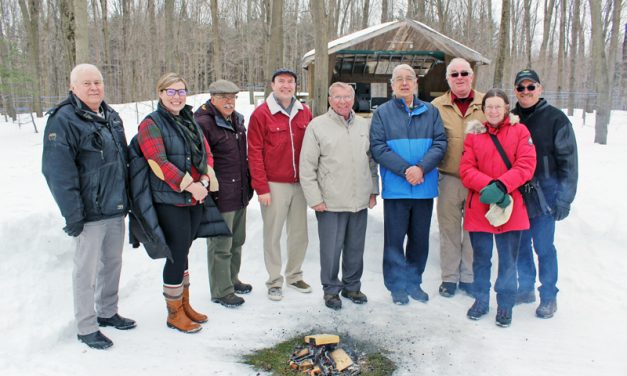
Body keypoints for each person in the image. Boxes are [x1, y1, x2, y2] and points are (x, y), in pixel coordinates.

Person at [42, 63, 136, 350]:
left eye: (98, 82)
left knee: (113, 263)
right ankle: (86, 326)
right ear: (73, 87)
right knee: (86, 270)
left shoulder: (112, 116)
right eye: (87, 83)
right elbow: (57, 172)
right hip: (89, 211)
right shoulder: (64, 119)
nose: (94, 87)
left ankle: (107, 312)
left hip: (116, 207)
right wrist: (73, 214)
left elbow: (123, 162)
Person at [128, 72, 229, 333]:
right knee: (175, 255)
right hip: (170, 200)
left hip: (194, 198)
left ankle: (185, 304)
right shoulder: (151, 123)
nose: (177, 97)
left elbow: (206, 152)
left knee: (183, 251)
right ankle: (174, 313)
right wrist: (191, 185)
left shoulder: (189, 120)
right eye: (171, 92)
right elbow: (158, 162)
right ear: (160, 94)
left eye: (181, 91)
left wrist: (206, 178)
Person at [370, 64, 447, 305]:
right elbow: (379, 148)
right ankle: (396, 287)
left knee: (419, 239)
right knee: (394, 240)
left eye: (409, 79)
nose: (404, 83)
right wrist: (406, 170)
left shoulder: (431, 112)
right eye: (399, 79)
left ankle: (414, 282)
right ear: (392, 85)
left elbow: (440, 144)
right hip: (397, 188)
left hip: (423, 187)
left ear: (416, 83)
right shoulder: (382, 113)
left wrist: (421, 168)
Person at [460, 88, 536, 327]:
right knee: (481, 259)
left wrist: (502, 186)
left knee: (508, 260)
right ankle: (481, 299)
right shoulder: (474, 135)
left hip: (509, 205)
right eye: (489, 107)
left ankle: (505, 304)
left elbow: (526, 164)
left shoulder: (520, 131)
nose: (493, 111)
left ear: (506, 109)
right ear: (483, 110)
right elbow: (466, 169)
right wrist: (488, 186)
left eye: (498, 106)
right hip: (480, 205)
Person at [299, 82, 379, 310]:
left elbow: (371, 160)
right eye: (337, 97)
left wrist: (373, 189)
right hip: (330, 201)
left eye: (347, 97)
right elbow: (307, 166)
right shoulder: (318, 126)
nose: (342, 101)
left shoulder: (364, 124)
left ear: (353, 99)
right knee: (331, 249)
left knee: (355, 247)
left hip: (359, 199)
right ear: (329, 99)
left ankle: (352, 286)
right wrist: (315, 198)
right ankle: (331, 290)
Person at [512, 69, 578, 319]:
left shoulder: (556, 119)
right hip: (517, 194)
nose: (526, 92)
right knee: (520, 245)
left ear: (540, 89)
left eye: (531, 87)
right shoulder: (511, 117)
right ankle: (526, 287)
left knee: (544, 246)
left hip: (546, 194)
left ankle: (549, 295)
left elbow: (569, 161)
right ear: (515, 90)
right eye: (521, 88)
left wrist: (564, 198)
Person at [248, 68, 313, 301]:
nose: (286, 85)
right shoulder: (261, 114)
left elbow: (313, 149)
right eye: (281, 82)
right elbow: (254, 153)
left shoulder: (305, 111)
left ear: (296, 85)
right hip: (274, 184)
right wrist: (262, 187)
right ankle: (274, 280)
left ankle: (294, 275)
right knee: (273, 233)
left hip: (300, 184)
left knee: (299, 234)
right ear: (273, 85)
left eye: (291, 82)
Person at [194, 80, 253, 308]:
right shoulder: (203, 123)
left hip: (239, 191)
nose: (229, 102)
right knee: (221, 244)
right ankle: (221, 290)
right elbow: (202, 161)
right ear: (213, 98)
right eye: (224, 97)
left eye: (233, 97)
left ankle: (232, 279)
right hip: (221, 193)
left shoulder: (236, 119)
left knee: (237, 240)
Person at [431, 58, 486, 298]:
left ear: (472, 76)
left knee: (474, 230)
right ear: (447, 79)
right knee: (449, 229)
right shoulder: (436, 106)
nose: (460, 77)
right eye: (454, 74)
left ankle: (469, 277)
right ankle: (450, 278)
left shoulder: (487, 103)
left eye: (464, 73)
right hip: (448, 177)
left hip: (479, 179)